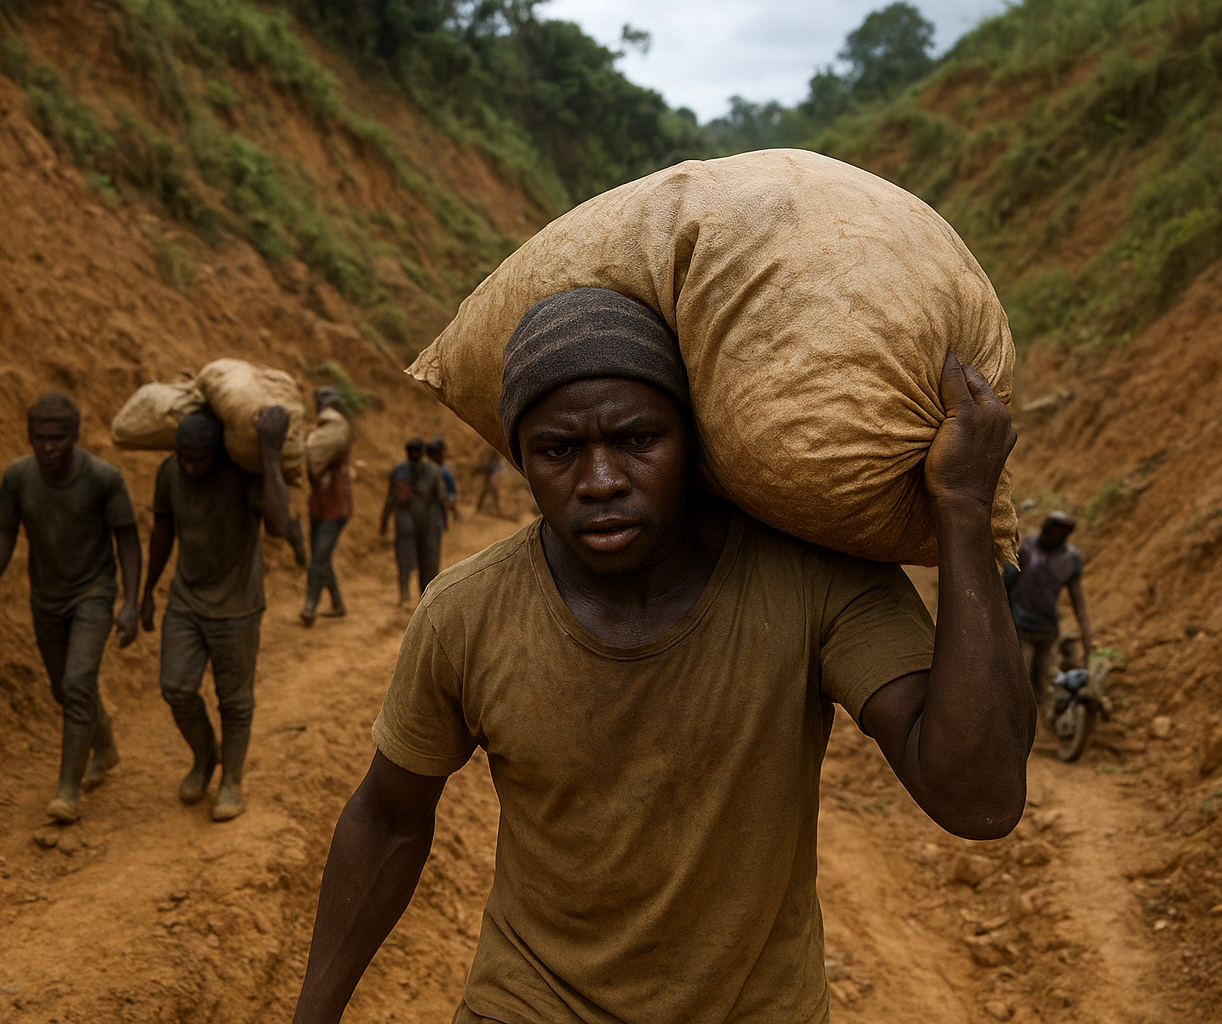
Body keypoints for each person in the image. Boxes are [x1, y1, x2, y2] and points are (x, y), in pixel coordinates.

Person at [290, 288, 1034, 1024]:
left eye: (638, 440)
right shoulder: (465, 615)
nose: (601, 481)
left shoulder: (812, 579)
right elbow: (387, 819)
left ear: (694, 441)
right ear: (519, 458)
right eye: (557, 451)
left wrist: (963, 509)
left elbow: (981, 798)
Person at [0, 392, 141, 825]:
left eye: (58, 438)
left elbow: (126, 540)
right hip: (45, 598)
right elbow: (5, 533)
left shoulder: (103, 478)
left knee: (78, 682)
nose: (49, 447)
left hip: (93, 594)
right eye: (40, 438)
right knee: (65, 690)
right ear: (29, 436)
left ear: (75, 436)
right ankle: (105, 748)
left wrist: (130, 602)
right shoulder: (18, 477)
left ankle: (67, 789)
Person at [139, 405, 291, 822]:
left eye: (200, 458)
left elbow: (279, 526)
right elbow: (163, 532)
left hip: (238, 606)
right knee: (176, 687)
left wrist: (270, 455)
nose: (190, 467)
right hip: (186, 600)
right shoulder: (169, 473)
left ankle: (231, 781)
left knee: (235, 702)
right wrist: (147, 591)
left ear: (218, 451)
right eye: (184, 457)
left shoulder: (243, 472)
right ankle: (206, 757)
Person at [1004, 509, 1094, 708]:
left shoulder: (1071, 559)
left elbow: (1077, 599)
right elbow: (1005, 586)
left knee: (1044, 682)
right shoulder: (1025, 548)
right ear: (1044, 529)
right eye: (1053, 530)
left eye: (1062, 532)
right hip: (1020, 627)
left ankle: (1042, 723)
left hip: (1047, 629)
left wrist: (1088, 638)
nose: (1056, 536)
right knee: (1020, 683)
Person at [300, 387, 353, 626]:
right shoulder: (319, 436)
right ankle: (338, 603)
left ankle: (310, 606)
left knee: (318, 559)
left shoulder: (337, 438)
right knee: (322, 558)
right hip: (318, 508)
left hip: (336, 509)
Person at [379, 437, 447, 610]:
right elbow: (440, 497)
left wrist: (384, 521)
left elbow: (438, 496)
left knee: (421, 560)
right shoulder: (428, 470)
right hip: (416, 521)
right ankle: (413, 596)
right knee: (414, 559)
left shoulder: (421, 470)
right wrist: (384, 520)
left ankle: (416, 596)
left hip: (419, 521)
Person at [426, 437, 458, 531]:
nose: (444, 455)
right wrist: (454, 510)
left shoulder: (426, 469)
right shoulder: (442, 472)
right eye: (442, 453)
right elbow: (448, 496)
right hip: (435, 512)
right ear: (434, 454)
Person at [474, 449, 506, 518]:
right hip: (490, 482)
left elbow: (497, 473)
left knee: (493, 495)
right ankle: (479, 507)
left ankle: (496, 509)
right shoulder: (491, 464)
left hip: (492, 482)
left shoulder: (495, 464)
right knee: (487, 494)